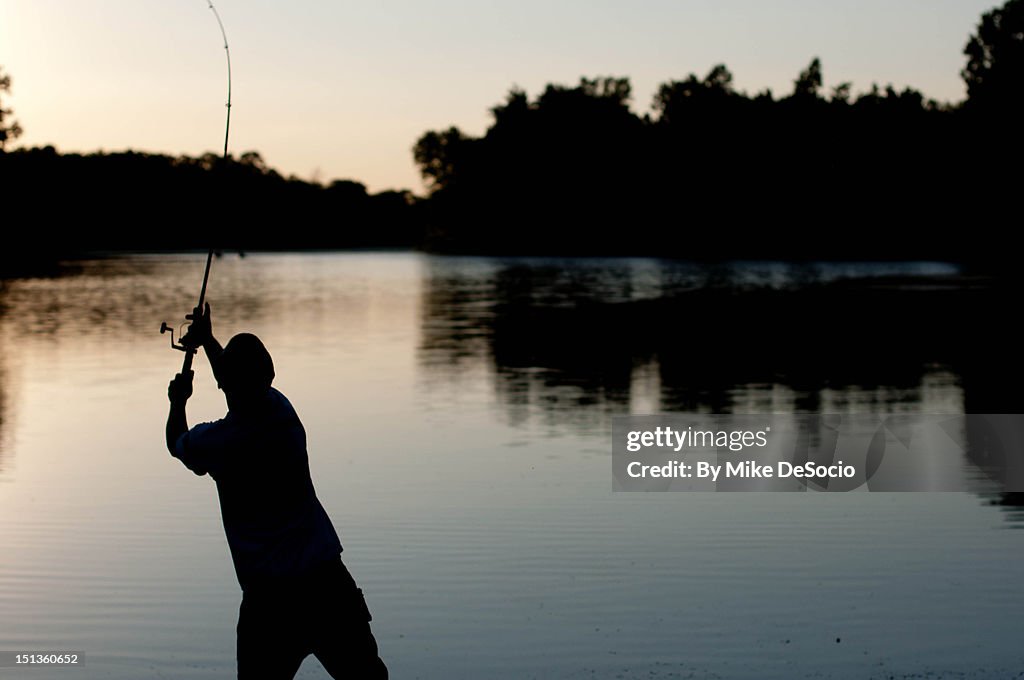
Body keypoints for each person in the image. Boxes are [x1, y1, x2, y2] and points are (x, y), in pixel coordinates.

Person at [165, 303, 388, 680]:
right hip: (327, 585)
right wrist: (210, 343)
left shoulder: (219, 443)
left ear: (225, 385)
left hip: (268, 603)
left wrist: (178, 401)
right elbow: (241, 383)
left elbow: (177, 442)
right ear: (270, 376)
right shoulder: (282, 412)